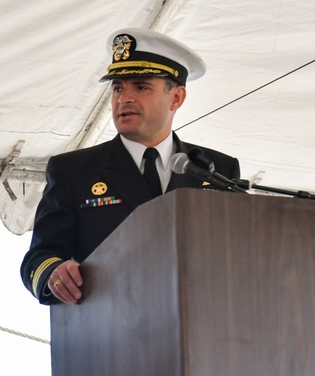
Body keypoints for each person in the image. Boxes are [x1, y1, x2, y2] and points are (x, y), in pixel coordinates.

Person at [21, 27, 241, 305]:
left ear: (176, 98)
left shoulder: (218, 169)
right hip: (110, 328)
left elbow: (239, 256)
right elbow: (38, 257)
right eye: (117, 88)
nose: (124, 98)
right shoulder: (74, 170)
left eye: (141, 86)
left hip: (202, 326)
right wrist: (54, 272)